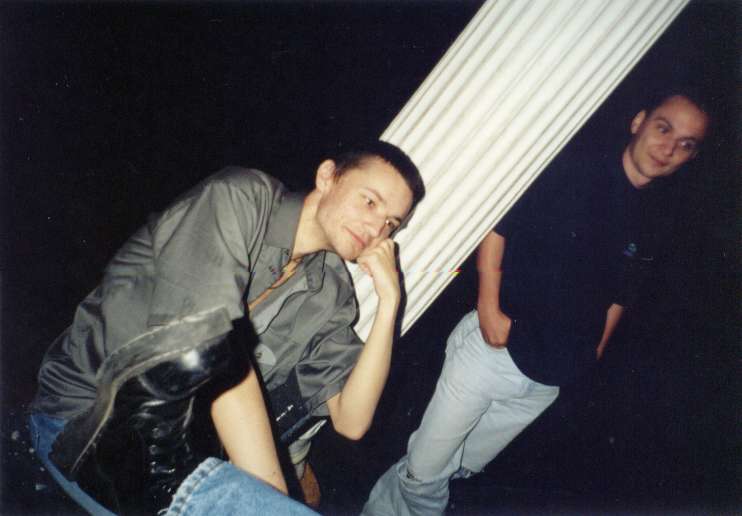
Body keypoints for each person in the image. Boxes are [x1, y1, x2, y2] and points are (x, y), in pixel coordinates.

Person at [28, 140, 425, 515]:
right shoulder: (242, 198)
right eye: (369, 201)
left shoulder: (329, 290)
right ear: (327, 177)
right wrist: (271, 494)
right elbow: (206, 343)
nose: (375, 229)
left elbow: (351, 420)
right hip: (82, 422)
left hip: (182, 454)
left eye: (390, 224)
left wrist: (390, 303)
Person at [362, 93, 710, 516]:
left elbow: (622, 295)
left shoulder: (656, 217)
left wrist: (592, 354)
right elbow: (498, 227)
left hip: (549, 379)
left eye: (686, 144)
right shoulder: (576, 170)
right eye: (663, 128)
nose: (669, 148)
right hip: (495, 350)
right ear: (639, 121)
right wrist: (488, 307)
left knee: (453, 470)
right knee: (424, 475)